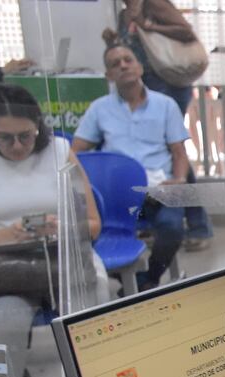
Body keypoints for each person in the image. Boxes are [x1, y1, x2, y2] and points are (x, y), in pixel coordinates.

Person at [0, 84, 105, 377]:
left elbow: (94, 225)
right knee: (4, 333)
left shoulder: (59, 151)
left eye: (26, 136)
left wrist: (61, 228)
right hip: (5, 266)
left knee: (94, 332)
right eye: (5, 139)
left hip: (65, 259)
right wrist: (9, 234)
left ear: (38, 128)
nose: (18, 146)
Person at [73, 45, 190, 288]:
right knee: (93, 234)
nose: (123, 65)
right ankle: (123, 279)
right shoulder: (100, 109)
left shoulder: (165, 105)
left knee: (172, 228)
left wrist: (178, 180)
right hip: (118, 197)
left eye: (128, 59)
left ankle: (148, 279)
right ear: (109, 75)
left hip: (159, 191)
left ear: (139, 67)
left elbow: (179, 153)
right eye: (115, 63)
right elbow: (75, 152)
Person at [100, 0, 212, 252]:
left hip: (167, 84)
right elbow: (130, 51)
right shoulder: (123, 14)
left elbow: (185, 32)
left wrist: (146, 23)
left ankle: (197, 224)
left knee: (175, 152)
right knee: (171, 153)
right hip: (145, 86)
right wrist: (112, 42)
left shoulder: (152, 4)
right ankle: (183, 222)